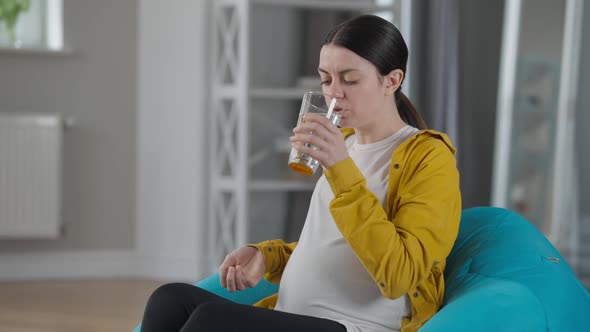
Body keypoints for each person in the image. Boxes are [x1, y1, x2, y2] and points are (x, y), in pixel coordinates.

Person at [140, 14, 461, 332]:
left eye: (350, 79)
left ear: (391, 80)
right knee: (170, 298)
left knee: (211, 321)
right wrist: (268, 257)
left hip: (356, 326)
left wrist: (339, 170)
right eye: (326, 79)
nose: (335, 93)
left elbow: (399, 273)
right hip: (290, 314)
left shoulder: (427, 156)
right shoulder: (346, 144)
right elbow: (337, 246)